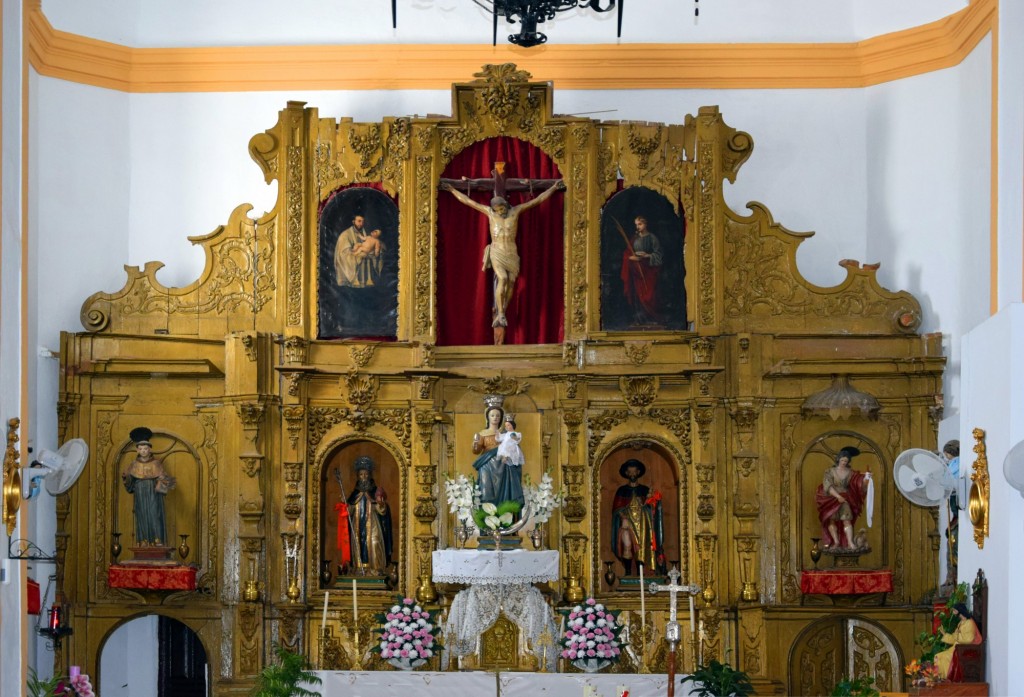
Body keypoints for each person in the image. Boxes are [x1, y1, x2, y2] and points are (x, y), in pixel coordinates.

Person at [441, 179, 565, 328]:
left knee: (511, 282)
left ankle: (503, 311)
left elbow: (537, 200)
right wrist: (452, 190)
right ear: (494, 209)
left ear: (506, 204)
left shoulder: (516, 211)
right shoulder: (490, 213)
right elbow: (469, 202)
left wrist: (553, 188)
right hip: (497, 252)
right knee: (503, 278)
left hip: (511, 252)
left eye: (503, 208)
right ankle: (500, 313)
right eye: (498, 210)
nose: (501, 212)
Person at [121, 427, 176, 546]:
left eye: (145, 448)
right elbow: (129, 482)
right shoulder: (134, 464)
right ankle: (143, 540)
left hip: (153, 493)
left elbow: (163, 477)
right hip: (140, 492)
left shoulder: (156, 463)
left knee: (154, 514)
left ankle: (157, 539)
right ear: (137, 450)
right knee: (141, 515)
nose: (143, 451)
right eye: (141, 449)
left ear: (150, 449)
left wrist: (163, 480)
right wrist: (127, 476)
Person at [611, 459, 664, 577]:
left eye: (634, 471)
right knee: (627, 545)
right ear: (626, 473)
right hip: (627, 524)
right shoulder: (622, 490)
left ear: (638, 472)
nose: (632, 474)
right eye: (630, 472)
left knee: (642, 547)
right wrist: (623, 517)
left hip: (643, 524)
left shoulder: (644, 490)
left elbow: (652, 509)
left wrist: (648, 502)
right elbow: (616, 509)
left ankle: (641, 573)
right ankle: (628, 573)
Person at [815, 446, 873, 550]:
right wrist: (838, 496)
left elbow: (859, 485)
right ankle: (836, 542)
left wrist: (866, 478)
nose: (844, 463)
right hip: (831, 499)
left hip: (845, 498)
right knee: (832, 520)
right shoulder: (830, 471)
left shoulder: (851, 473)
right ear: (838, 459)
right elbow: (827, 486)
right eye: (842, 460)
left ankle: (850, 543)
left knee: (847, 519)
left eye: (846, 461)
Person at [471, 405, 525, 508]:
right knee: (486, 489)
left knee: (504, 491)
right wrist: (475, 443)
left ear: (501, 418)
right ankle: (487, 511)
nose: (495, 418)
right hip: (487, 464)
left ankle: (504, 511)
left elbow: (514, 447)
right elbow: (476, 451)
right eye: (492, 415)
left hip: (503, 464)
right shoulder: (482, 434)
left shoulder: (506, 434)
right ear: (488, 417)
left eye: (498, 415)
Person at [346, 456, 393, 574]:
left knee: (374, 543)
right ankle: (359, 569)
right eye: (361, 475)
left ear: (370, 476)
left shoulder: (375, 492)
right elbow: (349, 511)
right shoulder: (354, 494)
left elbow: (382, 511)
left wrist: (381, 504)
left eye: (366, 474)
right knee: (357, 544)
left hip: (373, 525)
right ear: (358, 476)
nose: (364, 477)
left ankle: (375, 569)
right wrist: (345, 506)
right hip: (357, 525)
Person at [620, 216, 664, 325]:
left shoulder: (652, 238)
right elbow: (627, 253)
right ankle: (639, 320)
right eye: (636, 224)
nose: (638, 227)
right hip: (636, 271)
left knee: (650, 294)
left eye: (640, 224)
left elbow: (659, 254)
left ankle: (651, 319)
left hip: (649, 270)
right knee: (637, 294)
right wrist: (631, 258)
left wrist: (647, 255)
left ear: (646, 224)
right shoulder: (634, 238)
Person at [932, 603, 983, 677]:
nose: (953, 612)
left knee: (944, 657)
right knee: (938, 656)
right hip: (957, 649)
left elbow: (968, 640)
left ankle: (946, 677)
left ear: (959, 611)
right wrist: (944, 634)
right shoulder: (961, 623)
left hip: (965, 650)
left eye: (954, 610)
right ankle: (942, 678)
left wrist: (957, 636)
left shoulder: (969, 623)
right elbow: (954, 638)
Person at [334, 214, 381, 288]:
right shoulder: (345, 234)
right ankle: (355, 280)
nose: (361, 224)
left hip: (362, 252)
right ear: (353, 222)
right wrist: (354, 250)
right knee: (361, 255)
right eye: (359, 221)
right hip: (347, 255)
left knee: (365, 255)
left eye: (362, 221)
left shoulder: (365, 233)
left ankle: (367, 280)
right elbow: (343, 252)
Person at [943, 440, 960, 584]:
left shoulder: (957, 463)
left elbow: (951, 479)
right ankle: (950, 578)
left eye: (946, 454)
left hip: (956, 495)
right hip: (954, 498)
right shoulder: (951, 464)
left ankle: (953, 578)